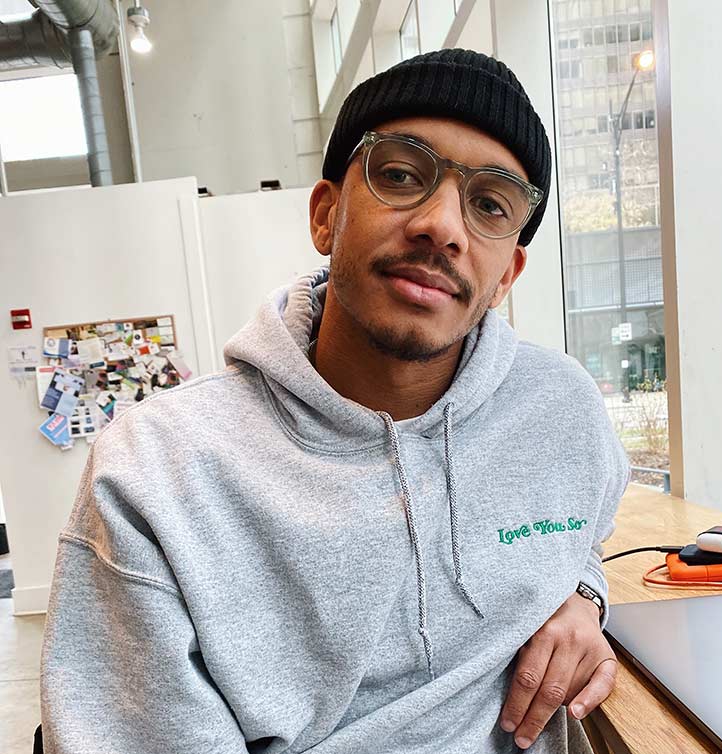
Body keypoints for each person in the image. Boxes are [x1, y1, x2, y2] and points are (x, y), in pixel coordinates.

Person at [40, 49, 630, 753]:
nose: (443, 226)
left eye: (490, 205)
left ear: (507, 275)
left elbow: (579, 528)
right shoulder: (155, 469)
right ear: (326, 216)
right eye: (403, 175)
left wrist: (583, 597)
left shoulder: (561, 408)